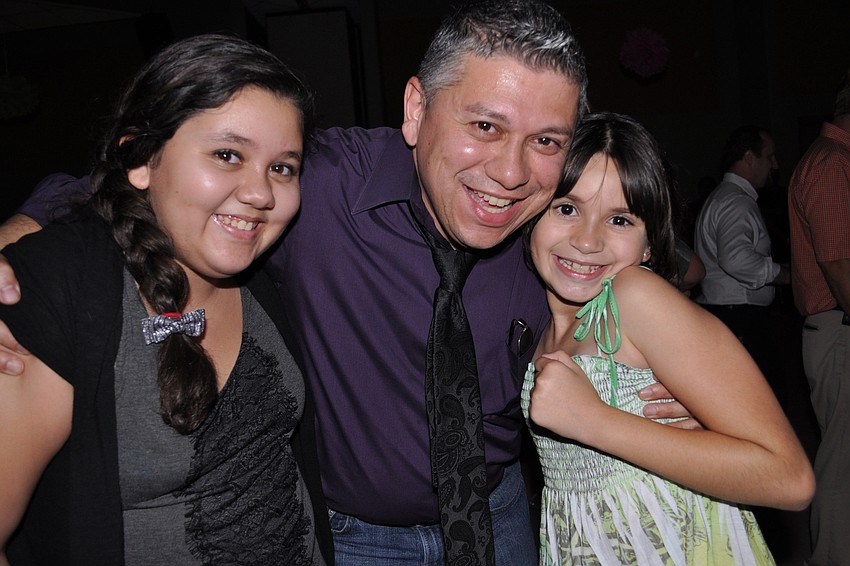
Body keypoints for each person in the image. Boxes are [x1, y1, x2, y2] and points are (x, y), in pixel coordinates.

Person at [0, 2, 696, 563]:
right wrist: (19, 236)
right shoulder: (313, 184)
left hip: (504, 514)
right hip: (354, 538)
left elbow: (647, 272)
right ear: (417, 110)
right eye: (484, 125)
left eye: (546, 140)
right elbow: (159, 178)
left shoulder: (552, 228)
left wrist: (651, 383)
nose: (512, 172)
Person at [0, 34, 332, 565]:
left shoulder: (264, 273)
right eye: (227, 155)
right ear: (141, 159)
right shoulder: (61, 287)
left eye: (282, 167)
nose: (261, 193)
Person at [521, 113, 814, 564]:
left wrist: (595, 420)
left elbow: (790, 479)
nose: (587, 240)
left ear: (649, 246)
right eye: (566, 208)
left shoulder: (633, 296)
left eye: (619, 220)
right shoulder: (537, 323)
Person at [788, 67, 850, 566]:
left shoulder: (831, 159)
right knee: (841, 463)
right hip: (839, 327)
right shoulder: (832, 164)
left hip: (833, 327)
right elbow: (837, 262)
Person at [693, 125, 790, 357]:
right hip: (739, 315)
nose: (774, 165)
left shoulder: (723, 197)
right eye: (769, 156)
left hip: (729, 313)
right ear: (748, 157)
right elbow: (735, 260)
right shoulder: (736, 201)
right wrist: (785, 274)